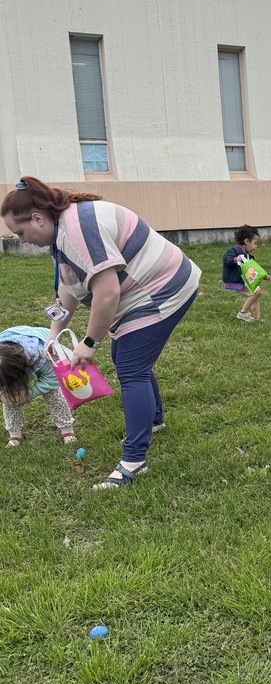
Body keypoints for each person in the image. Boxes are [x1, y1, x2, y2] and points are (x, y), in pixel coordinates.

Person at [1, 177, 201, 488]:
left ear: (37, 218)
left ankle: (134, 461)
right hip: (141, 292)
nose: (22, 239)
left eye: (21, 232)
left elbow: (107, 293)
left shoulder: (77, 230)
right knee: (127, 358)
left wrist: (90, 342)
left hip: (162, 288)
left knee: (132, 368)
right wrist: (53, 334)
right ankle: (154, 420)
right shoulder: (59, 236)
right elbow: (66, 289)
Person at [0, 326, 76, 447]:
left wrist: (30, 393)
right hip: (13, 347)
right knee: (11, 398)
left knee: (53, 392)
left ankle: (67, 429)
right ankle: (14, 433)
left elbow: (51, 380)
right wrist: (3, 396)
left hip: (43, 345)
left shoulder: (43, 356)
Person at [222, 225, 269, 323]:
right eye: (255, 243)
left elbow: (255, 269)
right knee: (257, 291)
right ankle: (243, 313)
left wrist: (264, 275)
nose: (256, 246)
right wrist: (236, 259)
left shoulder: (248, 256)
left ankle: (257, 319)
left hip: (243, 281)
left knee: (254, 296)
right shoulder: (234, 251)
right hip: (235, 281)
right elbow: (227, 260)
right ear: (246, 241)